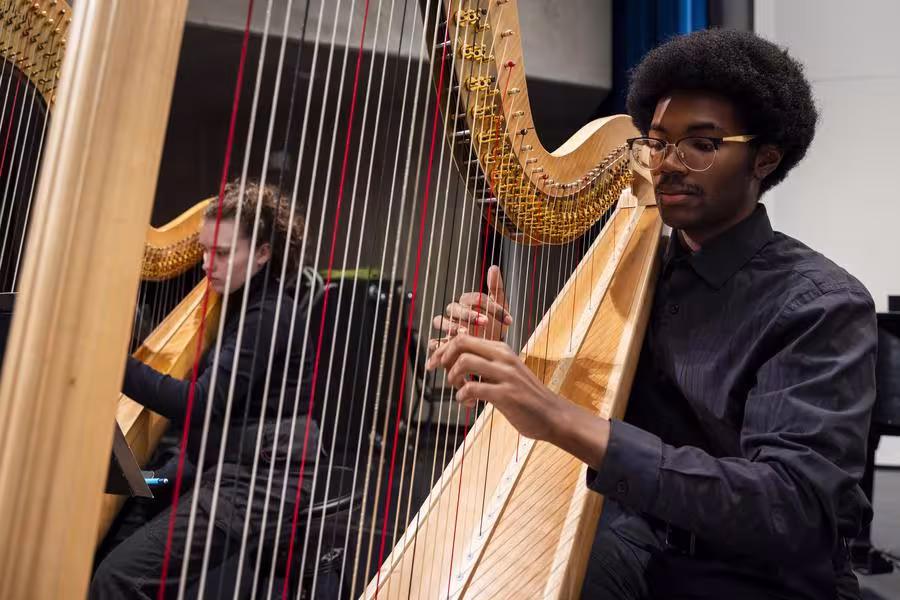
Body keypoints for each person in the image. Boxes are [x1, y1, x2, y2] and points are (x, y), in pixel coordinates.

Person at [427, 29, 876, 600]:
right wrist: (504, 364)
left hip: (756, 578)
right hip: (639, 543)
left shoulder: (821, 304)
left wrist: (557, 415)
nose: (666, 165)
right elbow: (591, 406)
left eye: (701, 145)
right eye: (657, 144)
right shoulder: (638, 270)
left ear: (764, 158)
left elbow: (792, 508)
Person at [91, 180, 318, 598]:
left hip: (254, 482)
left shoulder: (266, 316)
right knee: (136, 485)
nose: (207, 265)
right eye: (205, 251)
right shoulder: (238, 302)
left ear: (263, 254)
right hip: (213, 462)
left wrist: (114, 364)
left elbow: (200, 403)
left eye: (224, 253)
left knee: (115, 576)